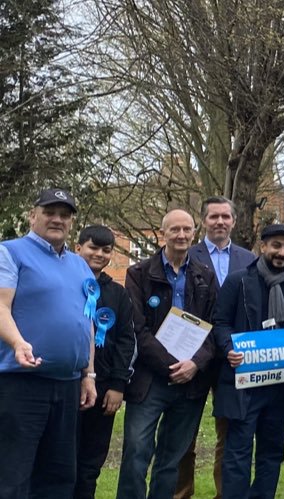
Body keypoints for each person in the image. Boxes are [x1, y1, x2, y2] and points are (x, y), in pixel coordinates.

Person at [212, 224, 284, 499]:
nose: (281, 252)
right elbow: (220, 323)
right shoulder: (238, 281)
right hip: (245, 384)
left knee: (272, 453)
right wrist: (228, 349)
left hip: (281, 387)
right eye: (276, 246)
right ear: (263, 247)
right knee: (237, 453)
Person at [0, 189, 97, 498]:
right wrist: (18, 343)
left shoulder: (80, 265)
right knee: (14, 474)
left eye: (65, 214)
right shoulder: (10, 252)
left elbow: (87, 321)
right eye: (49, 212)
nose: (57, 219)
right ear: (33, 215)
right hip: (21, 384)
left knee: (58, 476)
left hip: (68, 386)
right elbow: (1, 306)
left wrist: (89, 375)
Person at [119, 209, 219, 499]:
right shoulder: (138, 274)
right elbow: (137, 328)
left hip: (191, 384)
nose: (181, 235)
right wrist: (170, 365)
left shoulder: (205, 275)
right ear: (163, 234)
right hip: (150, 381)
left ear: (194, 233)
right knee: (137, 453)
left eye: (187, 229)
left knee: (171, 460)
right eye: (174, 229)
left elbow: (214, 327)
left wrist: (195, 364)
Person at [182, 196, 255, 499]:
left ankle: (225, 494)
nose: (220, 222)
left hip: (233, 357)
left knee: (231, 433)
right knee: (184, 433)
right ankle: (181, 492)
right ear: (203, 220)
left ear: (234, 221)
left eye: (226, 216)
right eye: (214, 217)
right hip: (194, 356)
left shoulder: (249, 259)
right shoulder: (187, 254)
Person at [74, 225, 139, 499]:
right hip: (66, 383)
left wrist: (118, 384)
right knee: (61, 458)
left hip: (103, 387)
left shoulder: (118, 294)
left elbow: (126, 340)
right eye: (93, 247)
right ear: (78, 248)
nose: (99, 254)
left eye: (106, 250)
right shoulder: (64, 284)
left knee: (91, 461)